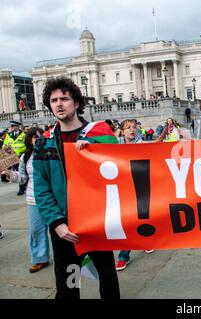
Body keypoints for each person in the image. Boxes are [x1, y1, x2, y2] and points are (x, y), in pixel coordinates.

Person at [33, 77, 120, 299]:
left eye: (64, 98)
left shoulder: (98, 135)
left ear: (77, 103)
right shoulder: (44, 143)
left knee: (107, 278)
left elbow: (121, 167)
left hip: (96, 223)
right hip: (64, 228)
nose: (59, 104)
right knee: (69, 283)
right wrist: (57, 223)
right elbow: (41, 189)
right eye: (53, 100)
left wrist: (95, 151)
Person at [1, 127, 50, 273]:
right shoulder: (26, 157)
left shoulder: (52, 153)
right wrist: (9, 173)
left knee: (59, 230)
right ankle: (40, 258)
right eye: (34, 137)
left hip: (51, 197)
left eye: (40, 136)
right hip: (33, 198)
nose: (38, 139)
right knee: (36, 230)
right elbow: (22, 178)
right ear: (29, 140)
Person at [115, 119, 154, 271]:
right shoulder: (114, 145)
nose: (132, 130)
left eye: (134, 127)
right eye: (128, 128)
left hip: (141, 184)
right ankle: (124, 255)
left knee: (143, 216)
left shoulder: (143, 144)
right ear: (122, 131)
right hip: (123, 187)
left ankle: (145, 242)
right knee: (127, 221)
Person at [2, 121, 27, 195]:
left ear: (17, 126)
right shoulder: (9, 135)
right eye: (11, 126)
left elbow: (27, 144)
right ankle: (22, 188)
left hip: (22, 155)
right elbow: (5, 145)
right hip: (12, 156)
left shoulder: (24, 134)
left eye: (13, 126)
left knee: (22, 171)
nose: (12, 128)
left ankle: (23, 187)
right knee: (17, 171)